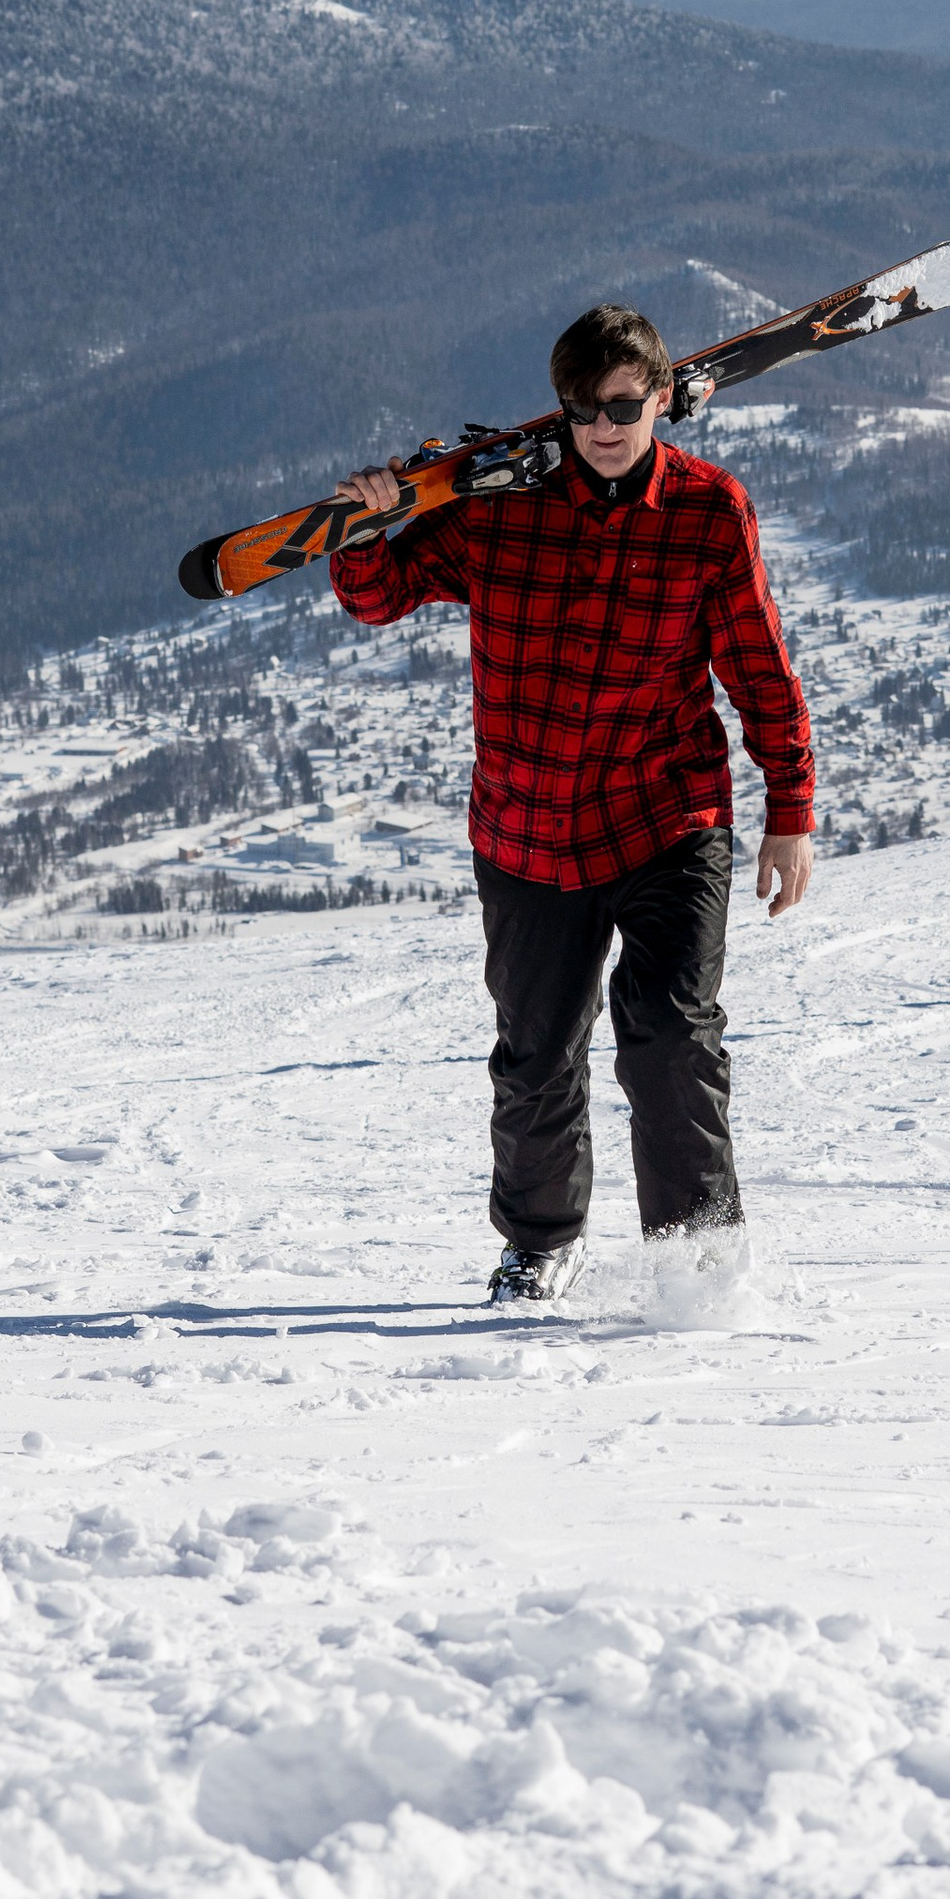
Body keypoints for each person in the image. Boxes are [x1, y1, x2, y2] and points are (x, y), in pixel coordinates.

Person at [328, 302, 815, 1303]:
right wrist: (373, 525)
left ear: (659, 401)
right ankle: (542, 1243)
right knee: (536, 1056)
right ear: (559, 409)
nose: (604, 426)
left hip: (666, 813)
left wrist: (792, 812)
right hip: (527, 826)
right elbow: (380, 596)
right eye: (583, 408)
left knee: (670, 1031)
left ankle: (696, 1258)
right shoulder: (497, 506)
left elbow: (759, 669)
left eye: (625, 405)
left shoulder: (707, 511)